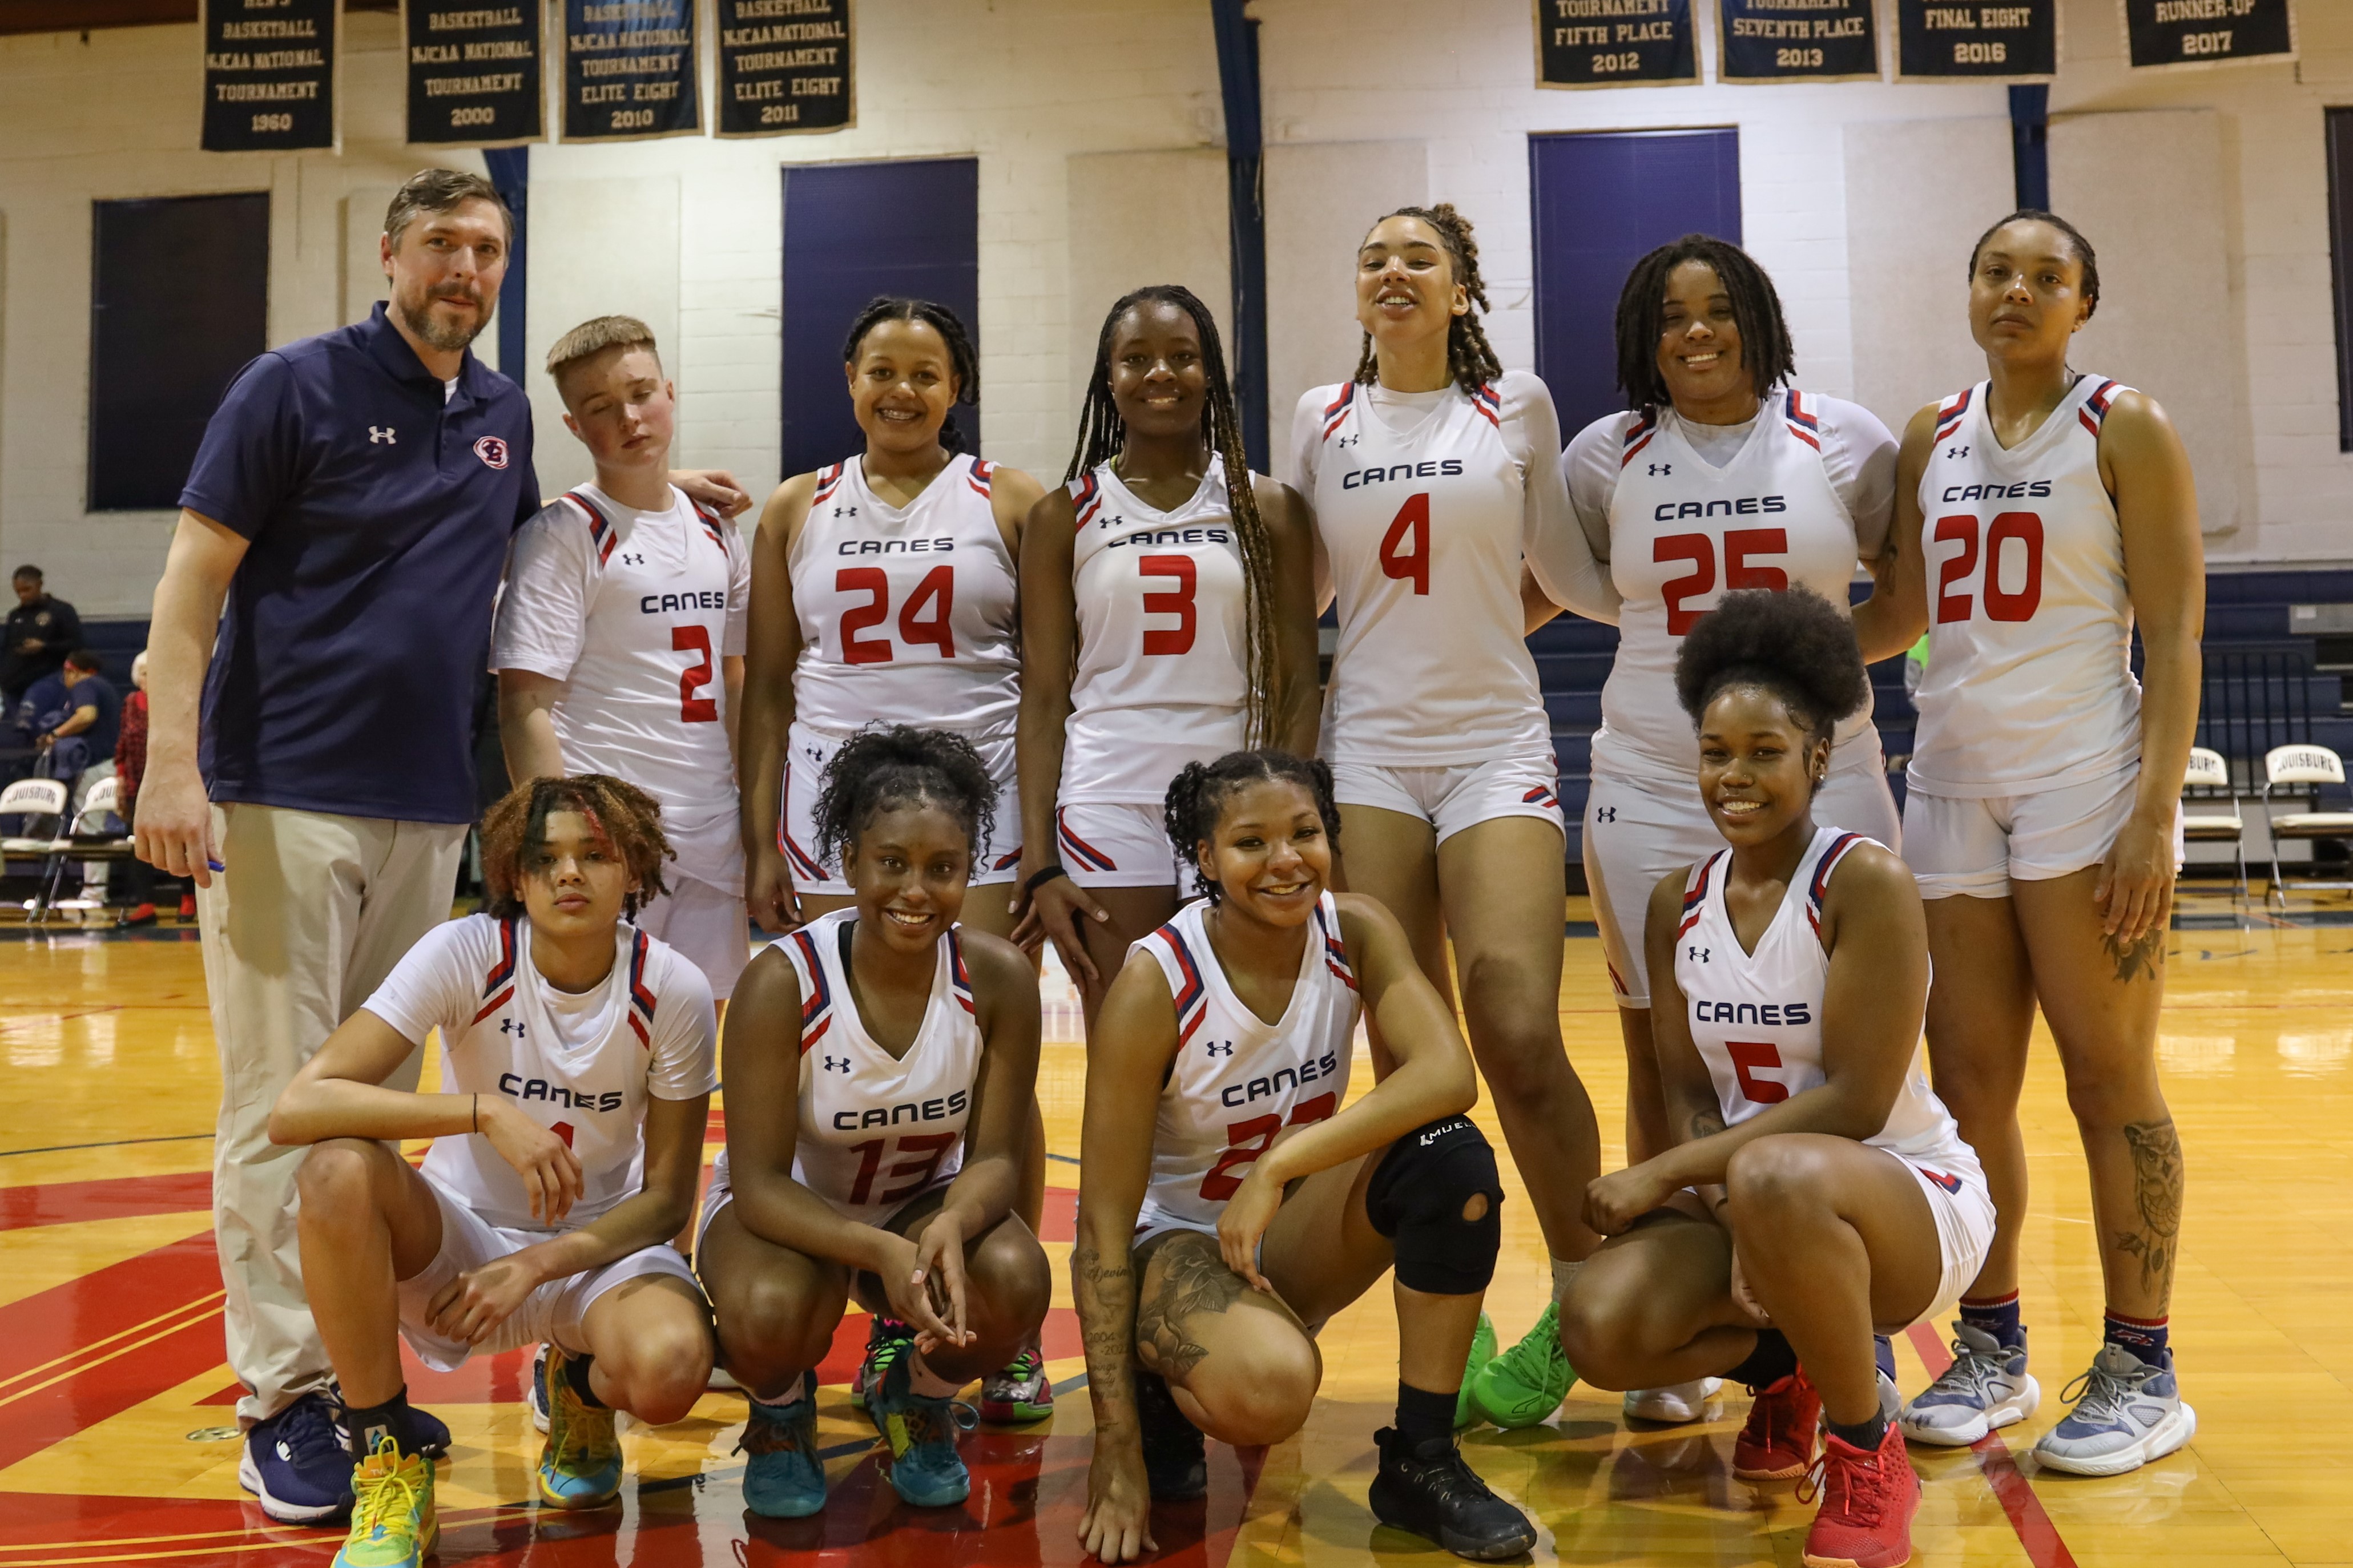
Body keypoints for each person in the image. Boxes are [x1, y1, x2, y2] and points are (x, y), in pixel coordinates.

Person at [135, 166, 746, 1525]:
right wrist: (171, 761)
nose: (466, 269)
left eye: (488, 250)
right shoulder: (290, 386)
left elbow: (518, 545)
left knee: (365, 1103)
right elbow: (190, 580)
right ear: (390, 253)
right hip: (279, 786)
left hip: (424, 802)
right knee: (279, 1105)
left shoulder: (496, 410)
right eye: (443, 246)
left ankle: (359, 1373)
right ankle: (285, 1400)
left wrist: (653, 492)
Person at [1852, 211, 2201, 1476]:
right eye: (1997, 271)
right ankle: (1992, 1342)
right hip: (1950, 782)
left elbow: (2176, 632)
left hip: (2084, 785)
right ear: (1969, 291)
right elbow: (1897, 611)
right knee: (1971, 1085)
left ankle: (2144, 1362)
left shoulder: (2127, 426)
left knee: (2110, 1080)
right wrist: (1764, 661)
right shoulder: (1928, 436)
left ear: (2083, 302)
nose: (2018, 291)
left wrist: (2155, 808)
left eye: (2046, 276)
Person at [1558, 586, 1994, 1568]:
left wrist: (1670, 1176)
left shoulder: (1863, 882)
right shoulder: (1679, 897)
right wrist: (1721, 1203)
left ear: (1817, 758)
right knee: (1600, 1325)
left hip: (1907, 1199)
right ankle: (1789, 1366)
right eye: (1717, 753)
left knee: (1781, 1172)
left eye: (1764, 752)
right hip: (1753, 1201)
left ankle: (1865, 1448)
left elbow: (1855, 1101)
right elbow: (1682, 1093)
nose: (1735, 775)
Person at [1560, 235, 1903, 1424]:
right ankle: (1708, 1306)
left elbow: (1900, 589)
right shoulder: (1604, 456)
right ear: (1642, 339)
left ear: (1758, 317)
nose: (1695, 331)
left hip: (1825, 768)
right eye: (1670, 315)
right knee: (1662, 1041)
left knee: (1841, 1041)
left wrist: (1800, 680)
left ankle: (1842, 1295)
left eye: (1718, 310)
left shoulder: (1846, 437)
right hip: (1654, 776)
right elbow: (1596, 590)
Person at [1288, 203, 1620, 1429]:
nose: (1392, 272)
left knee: (1520, 1028)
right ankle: (1448, 1303)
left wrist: (1678, 595)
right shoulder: (1321, 416)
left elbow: (1568, 576)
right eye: (1373, 255)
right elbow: (1308, 593)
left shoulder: (1514, 405)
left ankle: (1589, 1292)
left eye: (1417, 257)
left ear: (1462, 290)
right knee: (1409, 1056)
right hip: (1369, 746)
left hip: (1494, 743)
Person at [1074, 750, 1537, 1565]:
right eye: (1251, 842)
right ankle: (1157, 1396)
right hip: (1176, 1243)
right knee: (1272, 1392)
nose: (1286, 859)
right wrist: (1112, 1448)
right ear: (1207, 860)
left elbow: (1446, 1073)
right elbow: (1100, 1224)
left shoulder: (1354, 927)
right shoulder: (1158, 978)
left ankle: (1421, 1462)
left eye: (1304, 833)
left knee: (1451, 1161)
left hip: (1282, 1229)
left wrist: (1280, 1164)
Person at [737, 296, 1052, 1423]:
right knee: (845, 1060)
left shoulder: (1010, 499)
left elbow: (1049, 683)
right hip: (834, 826)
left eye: (925, 372)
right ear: (850, 378)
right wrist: (759, 826)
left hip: (979, 825)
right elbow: (767, 684)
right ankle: (868, 1285)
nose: (902, 390)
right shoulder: (794, 506)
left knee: (991, 1059)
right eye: (881, 369)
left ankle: (992, 1323)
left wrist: (1047, 837)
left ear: (957, 386)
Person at [269, 775, 716, 1566]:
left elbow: (667, 1201)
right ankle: (389, 1466)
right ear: (512, 872)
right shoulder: (468, 949)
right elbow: (297, 1107)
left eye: (594, 854)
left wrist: (536, 1264)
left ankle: (579, 1383)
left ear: (636, 869)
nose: (568, 874)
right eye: (545, 858)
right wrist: (480, 1110)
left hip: (599, 1253)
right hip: (459, 1246)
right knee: (335, 1170)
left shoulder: (672, 986)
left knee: (672, 1369)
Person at [697, 726, 1049, 1517]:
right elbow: (754, 1185)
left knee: (1013, 1278)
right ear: (849, 859)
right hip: (788, 1220)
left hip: (919, 1203)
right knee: (767, 1311)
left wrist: (951, 1223)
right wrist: (880, 1250)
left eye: (942, 868)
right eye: (892, 863)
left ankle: (914, 1396)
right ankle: (782, 1412)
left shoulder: (996, 977)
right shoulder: (782, 981)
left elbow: (996, 1156)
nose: (915, 890)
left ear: (970, 870)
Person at [1013, 284, 1319, 1023]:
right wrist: (1037, 857)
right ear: (1108, 379)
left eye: (1182, 356)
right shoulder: (1063, 515)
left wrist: (1279, 808)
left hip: (1231, 795)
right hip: (1108, 797)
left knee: (1237, 1029)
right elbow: (1045, 696)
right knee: (1126, 1034)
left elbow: (1296, 685)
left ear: (1208, 372)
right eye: (1137, 358)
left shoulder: (1268, 508)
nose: (1160, 373)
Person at [494, 315, 753, 1002]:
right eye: (601, 408)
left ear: (669, 391)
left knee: (694, 1049)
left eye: (642, 394)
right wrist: (559, 842)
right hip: (610, 834)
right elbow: (524, 703)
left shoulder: (718, 528)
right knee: (603, 1047)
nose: (630, 418)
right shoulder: (562, 535)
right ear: (575, 427)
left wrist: (754, 815)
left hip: (711, 833)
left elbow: (737, 681)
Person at [21, 648, 121, 783]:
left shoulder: (85, 685)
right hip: (108, 763)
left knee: (84, 805)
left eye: (65, 674)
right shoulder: (105, 687)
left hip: (92, 767)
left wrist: (56, 734)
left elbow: (87, 716)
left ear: (72, 672)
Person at [114, 652, 159, 924]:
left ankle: (189, 901)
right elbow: (123, 742)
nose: (148, 678)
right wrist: (120, 778)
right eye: (144, 673)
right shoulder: (131, 702)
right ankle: (146, 904)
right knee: (138, 845)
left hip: (167, 784)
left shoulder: (173, 701)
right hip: (136, 784)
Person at [1, 565, 81, 709]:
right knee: (18, 728)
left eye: (27, 590)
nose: (22, 595)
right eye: (18, 591)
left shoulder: (61, 611)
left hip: (46, 680)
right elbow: (7, 647)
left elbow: (76, 644)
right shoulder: (16, 615)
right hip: (14, 684)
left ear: (40, 585)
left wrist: (44, 646)